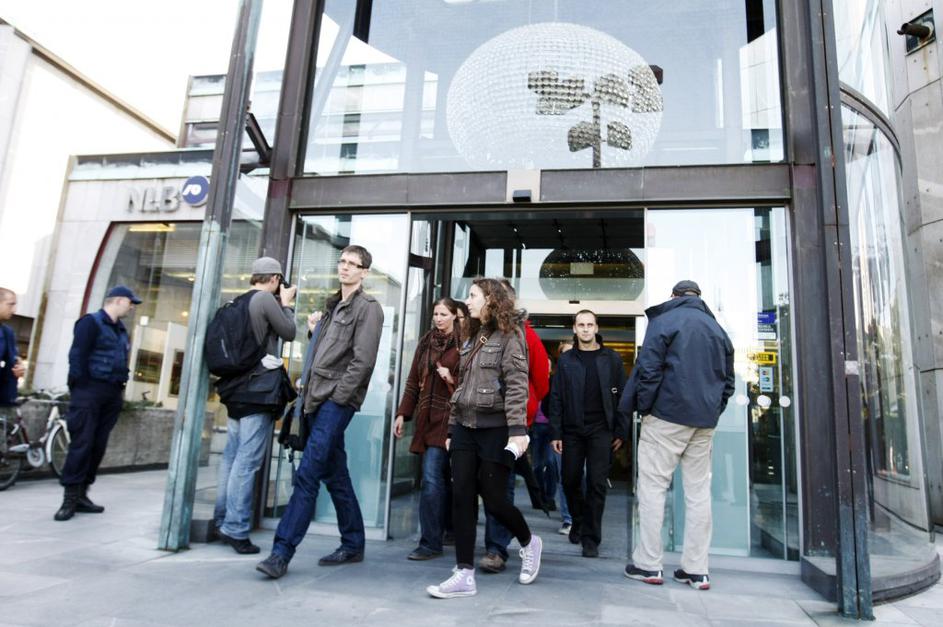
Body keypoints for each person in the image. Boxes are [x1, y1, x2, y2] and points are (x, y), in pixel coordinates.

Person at [256, 245, 384, 579]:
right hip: (314, 399)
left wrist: (339, 398)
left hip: (334, 402)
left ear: (364, 272)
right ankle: (353, 542)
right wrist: (314, 333)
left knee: (308, 473)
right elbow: (326, 353)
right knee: (335, 473)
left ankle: (281, 553)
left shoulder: (368, 308)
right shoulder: (332, 306)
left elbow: (363, 361)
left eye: (352, 264)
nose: (345, 267)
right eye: (342, 261)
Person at [426, 278, 542, 599]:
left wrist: (517, 431)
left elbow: (517, 384)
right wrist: (452, 429)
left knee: (494, 500)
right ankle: (464, 572)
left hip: (496, 428)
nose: (468, 301)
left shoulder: (511, 335)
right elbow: (462, 386)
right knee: (462, 496)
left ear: (491, 300)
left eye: (473, 295)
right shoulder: (471, 336)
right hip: (465, 426)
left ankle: (529, 542)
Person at [624, 280, 735, 591]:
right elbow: (728, 383)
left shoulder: (664, 321)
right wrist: (712, 411)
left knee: (652, 488)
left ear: (673, 296)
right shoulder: (717, 330)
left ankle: (648, 564)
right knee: (698, 494)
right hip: (703, 422)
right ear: (698, 298)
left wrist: (646, 408)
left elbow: (648, 370)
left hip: (666, 417)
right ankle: (696, 570)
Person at [213, 257, 297, 554]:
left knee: (231, 458)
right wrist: (286, 303)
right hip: (257, 392)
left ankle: (222, 520)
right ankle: (236, 528)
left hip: (235, 390)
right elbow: (289, 332)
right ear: (274, 278)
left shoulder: (239, 301)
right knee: (247, 463)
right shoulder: (264, 300)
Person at [479, 279, 550, 574]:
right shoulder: (481, 333)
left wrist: (525, 415)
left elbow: (541, 381)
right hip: (481, 420)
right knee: (487, 483)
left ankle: (497, 548)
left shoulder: (525, 334)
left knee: (501, 486)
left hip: (511, 424)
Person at [55, 285, 142, 521]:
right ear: (118, 300)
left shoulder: (121, 330)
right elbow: (77, 356)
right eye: (130, 302)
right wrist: (81, 388)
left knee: (97, 445)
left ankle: (82, 494)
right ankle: (69, 498)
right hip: (89, 391)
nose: (132, 307)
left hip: (111, 393)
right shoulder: (90, 322)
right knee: (82, 444)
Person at [550, 310, 628, 557]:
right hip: (572, 430)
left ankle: (591, 538)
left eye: (589, 324)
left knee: (596, 484)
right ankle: (579, 521)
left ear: (596, 328)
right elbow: (556, 398)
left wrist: (621, 430)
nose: (585, 329)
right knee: (570, 480)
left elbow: (623, 397)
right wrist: (556, 432)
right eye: (581, 325)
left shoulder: (612, 359)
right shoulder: (566, 360)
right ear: (574, 329)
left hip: (601, 430)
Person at [393, 297, 464, 560]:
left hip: (452, 419)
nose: (438, 319)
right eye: (435, 314)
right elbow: (413, 380)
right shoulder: (425, 343)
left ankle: (441, 536)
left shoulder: (464, 343)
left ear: (455, 316)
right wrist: (403, 414)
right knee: (435, 478)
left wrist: (451, 378)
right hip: (427, 419)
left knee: (441, 479)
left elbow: (471, 384)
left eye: (444, 314)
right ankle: (435, 539)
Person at [0, 288, 25, 421]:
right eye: (11, 304)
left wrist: (18, 367)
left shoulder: (7, 333)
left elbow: (12, 361)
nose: (14, 310)